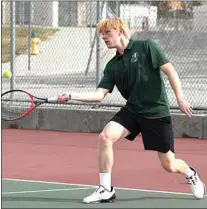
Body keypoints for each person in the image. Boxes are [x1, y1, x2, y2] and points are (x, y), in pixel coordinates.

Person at [57, 18, 206, 203]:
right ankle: (106, 189)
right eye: (101, 34)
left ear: (119, 31)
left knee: (169, 164)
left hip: (156, 112)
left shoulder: (147, 47)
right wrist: (72, 95)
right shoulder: (112, 66)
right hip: (133, 110)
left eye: (107, 33)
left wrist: (180, 99)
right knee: (105, 137)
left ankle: (191, 173)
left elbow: (170, 71)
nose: (103, 37)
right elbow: (99, 95)